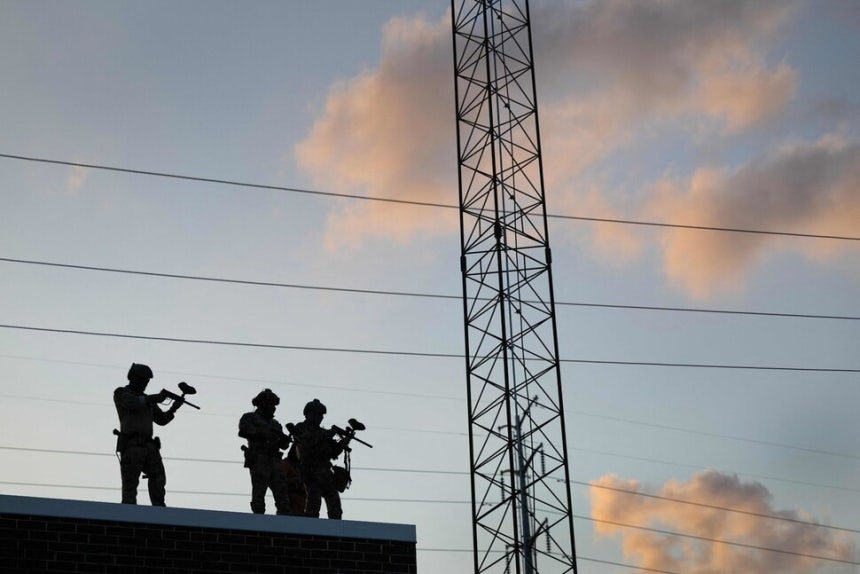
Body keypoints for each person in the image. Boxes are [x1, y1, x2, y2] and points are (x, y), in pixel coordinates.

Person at [113, 363, 179, 506]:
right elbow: (131, 403)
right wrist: (153, 398)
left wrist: (174, 408)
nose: (145, 383)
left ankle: (158, 511)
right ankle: (129, 514)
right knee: (130, 485)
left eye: (146, 381)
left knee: (159, 478)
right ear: (132, 377)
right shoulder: (121, 393)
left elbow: (161, 420)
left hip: (149, 446)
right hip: (131, 445)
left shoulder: (147, 399)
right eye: (142, 379)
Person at [289, 398, 347, 519]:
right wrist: (327, 434)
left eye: (321, 415)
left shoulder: (322, 431)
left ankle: (336, 530)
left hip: (326, 473)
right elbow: (306, 441)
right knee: (313, 505)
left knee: (335, 505)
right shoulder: (300, 427)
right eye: (317, 414)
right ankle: (310, 531)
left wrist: (345, 440)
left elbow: (333, 452)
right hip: (310, 472)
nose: (320, 417)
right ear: (309, 414)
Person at [238, 389, 293, 515]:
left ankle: (284, 521)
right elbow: (243, 430)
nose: (273, 408)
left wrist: (285, 441)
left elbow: (283, 446)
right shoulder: (250, 417)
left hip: (275, 461)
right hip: (259, 459)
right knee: (259, 492)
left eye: (274, 405)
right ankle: (258, 519)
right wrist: (263, 433)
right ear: (262, 404)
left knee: (282, 494)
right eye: (270, 404)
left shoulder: (276, 424)